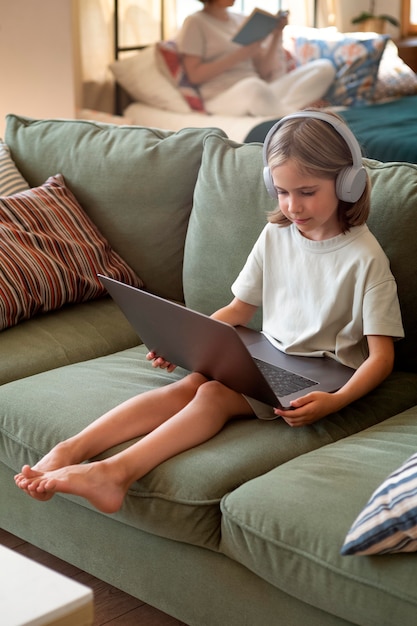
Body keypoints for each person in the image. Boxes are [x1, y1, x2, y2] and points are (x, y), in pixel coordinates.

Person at [14, 109, 404, 515]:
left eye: (307, 192)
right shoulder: (277, 234)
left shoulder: (365, 259)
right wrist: (182, 342)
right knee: (191, 381)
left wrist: (335, 402)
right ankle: (71, 448)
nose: (293, 206)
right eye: (282, 192)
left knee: (213, 394)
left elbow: (381, 359)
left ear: (348, 183)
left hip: (323, 374)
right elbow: (239, 309)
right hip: (272, 355)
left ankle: (115, 473)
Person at [176, 0, 336, 116]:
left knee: (324, 67)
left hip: (261, 88)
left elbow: (263, 71)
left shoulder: (240, 19)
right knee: (253, 87)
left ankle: (286, 109)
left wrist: (276, 34)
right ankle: (295, 114)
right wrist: (239, 56)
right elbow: (195, 76)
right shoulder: (195, 22)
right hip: (222, 96)